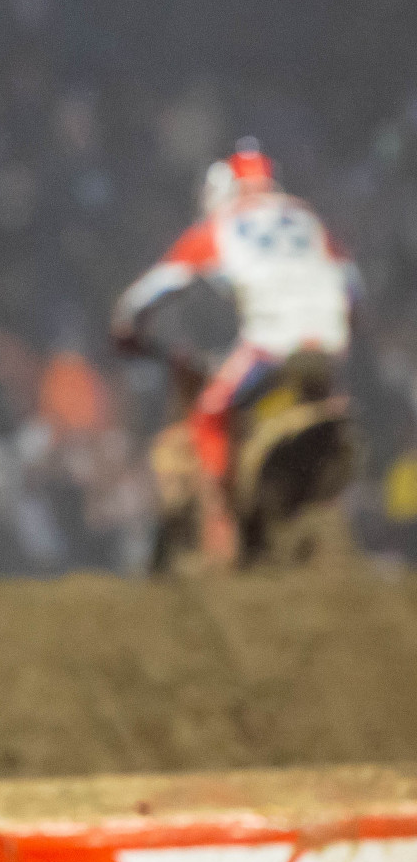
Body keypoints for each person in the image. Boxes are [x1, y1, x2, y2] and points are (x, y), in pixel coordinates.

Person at [110, 139, 359, 559]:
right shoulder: (307, 218)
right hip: (328, 342)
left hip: (270, 346)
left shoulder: (221, 226)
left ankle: (220, 527)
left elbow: (150, 293)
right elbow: (352, 284)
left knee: (210, 411)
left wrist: (125, 328)